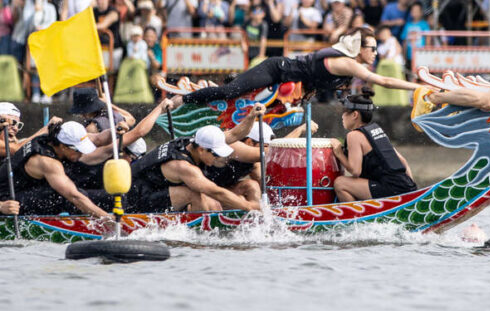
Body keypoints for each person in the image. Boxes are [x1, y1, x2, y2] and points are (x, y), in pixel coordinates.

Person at [172, 27, 424, 108]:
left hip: (287, 86)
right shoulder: (349, 63)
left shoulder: (350, 67)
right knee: (232, 92)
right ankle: (183, 100)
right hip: (275, 70)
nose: (375, 53)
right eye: (371, 48)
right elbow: (386, 82)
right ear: (358, 49)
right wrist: (420, 86)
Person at [125, 106, 266, 212]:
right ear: (201, 150)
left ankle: (253, 221)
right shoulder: (183, 166)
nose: (220, 158)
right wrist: (249, 207)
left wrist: (251, 116)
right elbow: (216, 191)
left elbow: (235, 134)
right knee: (194, 194)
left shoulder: (197, 140)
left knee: (249, 185)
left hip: (160, 190)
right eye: (216, 154)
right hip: (137, 198)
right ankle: (200, 235)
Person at [0, 120, 110, 217]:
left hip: (26, 191)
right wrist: (108, 220)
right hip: (8, 203)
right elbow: (74, 197)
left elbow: (98, 139)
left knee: (82, 185)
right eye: (79, 150)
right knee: (62, 196)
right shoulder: (47, 161)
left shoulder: (53, 138)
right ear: (63, 146)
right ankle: (89, 223)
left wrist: (120, 131)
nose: (82, 153)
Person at [331, 88, 416, 201]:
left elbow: (356, 171)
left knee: (340, 183)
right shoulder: (376, 130)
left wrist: (339, 153)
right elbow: (403, 162)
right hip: (406, 186)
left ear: (355, 115)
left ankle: (358, 217)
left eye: (344, 112)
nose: (342, 116)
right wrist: (412, 193)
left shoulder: (354, 135)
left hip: (390, 188)